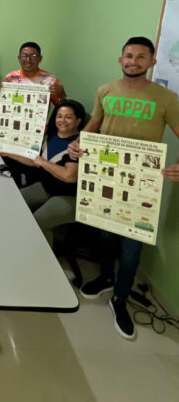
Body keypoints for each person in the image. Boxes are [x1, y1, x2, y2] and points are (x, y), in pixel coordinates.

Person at [68, 36, 179, 339]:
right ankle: (106, 275)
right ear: (121, 60)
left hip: (142, 182)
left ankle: (121, 296)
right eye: (128, 56)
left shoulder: (166, 98)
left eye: (141, 57)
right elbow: (95, 124)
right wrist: (79, 142)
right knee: (104, 233)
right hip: (106, 176)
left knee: (132, 244)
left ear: (152, 62)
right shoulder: (105, 90)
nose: (133, 61)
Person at [0, 100, 86, 246]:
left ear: (78, 121)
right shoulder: (51, 136)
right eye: (59, 116)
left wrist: (42, 162)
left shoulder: (77, 145)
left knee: (37, 223)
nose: (62, 121)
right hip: (47, 187)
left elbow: (69, 176)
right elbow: (36, 161)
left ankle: (46, 260)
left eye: (68, 117)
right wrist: (8, 153)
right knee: (11, 203)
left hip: (70, 196)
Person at [0, 42, 66, 107]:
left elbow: (63, 108)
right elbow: (3, 107)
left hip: (39, 122)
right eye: (24, 55)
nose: (28, 60)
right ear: (19, 58)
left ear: (40, 58)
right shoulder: (10, 77)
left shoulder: (50, 80)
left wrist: (62, 95)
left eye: (33, 56)